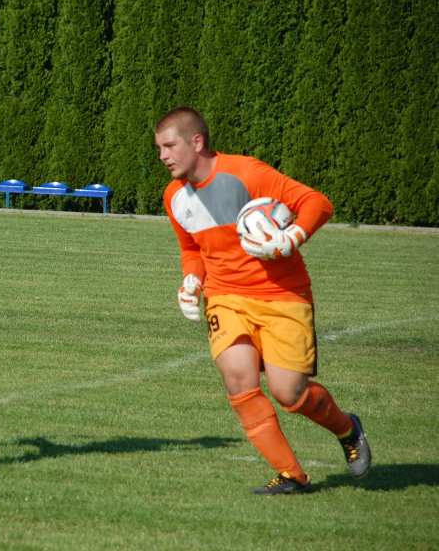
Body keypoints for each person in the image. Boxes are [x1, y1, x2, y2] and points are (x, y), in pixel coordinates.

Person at [154, 106, 371, 495]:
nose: (163, 156)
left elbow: (317, 203)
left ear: (197, 142)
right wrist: (192, 280)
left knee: (291, 394)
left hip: (282, 295)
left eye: (169, 146)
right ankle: (291, 475)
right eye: (159, 149)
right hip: (225, 297)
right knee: (239, 382)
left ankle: (346, 428)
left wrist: (292, 238)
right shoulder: (174, 197)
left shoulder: (248, 173)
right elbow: (191, 248)